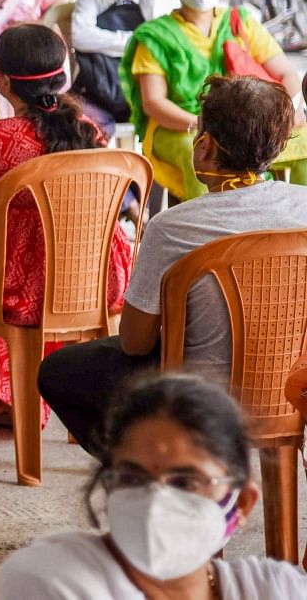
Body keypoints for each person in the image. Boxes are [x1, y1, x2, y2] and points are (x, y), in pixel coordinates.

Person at [38, 75, 307, 454]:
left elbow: (134, 341)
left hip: (199, 397)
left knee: (58, 371)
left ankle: (152, 471)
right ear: (277, 148)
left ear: (205, 145)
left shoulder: (171, 226)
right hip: (290, 391)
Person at [0, 23, 132, 426]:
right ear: (63, 74)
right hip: (94, 280)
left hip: (15, 291)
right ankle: (11, 396)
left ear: (1, 80)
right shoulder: (91, 135)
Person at [0, 374, 307, 598]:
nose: (155, 501)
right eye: (133, 478)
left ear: (241, 503)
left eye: (186, 481)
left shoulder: (277, 588)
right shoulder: (55, 581)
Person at [121, 0, 307, 201]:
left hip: (243, 123)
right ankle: (203, 232)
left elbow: (286, 72)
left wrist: (293, 109)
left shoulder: (240, 23)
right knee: (198, 150)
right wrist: (203, 125)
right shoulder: (156, 36)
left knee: (304, 141)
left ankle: (298, 225)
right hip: (180, 127)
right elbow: (154, 102)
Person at [70, 0, 175, 137]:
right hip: (98, 93)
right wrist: (134, 41)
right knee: (78, 122)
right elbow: (80, 37)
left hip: (147, 90)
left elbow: (160, 34)